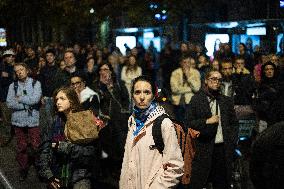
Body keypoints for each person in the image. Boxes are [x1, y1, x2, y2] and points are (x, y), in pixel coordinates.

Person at [120, 76, 184, 188]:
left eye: (147, 92)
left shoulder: (164, 123)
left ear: (154, 95)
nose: (142, 97)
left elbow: (175, 167)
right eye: (137, 92)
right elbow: (128, 163)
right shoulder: (132, 120)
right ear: (132, 96)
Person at [185, 70, 238, 189]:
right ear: (206, 81)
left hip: (223, 149)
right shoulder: (196, 100)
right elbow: (188, 123)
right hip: (204, 148)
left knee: (222, 183)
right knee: (201, 182)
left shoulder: (226, 101)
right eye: (213, 79)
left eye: (219, 79)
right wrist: (207, 121)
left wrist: (232, 141)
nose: (217, 82)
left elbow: (234, 123)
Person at [38, 87, 97, 189]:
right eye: (56, 99)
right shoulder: (53, 122)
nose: (58, 102)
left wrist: (66, 147)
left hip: (79, 176)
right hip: (57, 174)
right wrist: (48, 175)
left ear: (72, 100)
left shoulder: (83, 120)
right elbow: (44, 149)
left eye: (62, 98)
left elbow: (90, 152)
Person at [6, 63, 42, 181]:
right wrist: (26, 106)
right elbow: (9, 103)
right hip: (18, 121)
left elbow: (35, 100)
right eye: (17, 71)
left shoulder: (36, 83)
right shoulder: (13, 86)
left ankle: (40, 167)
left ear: (27, 70)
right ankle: (23, 167)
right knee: (22, 146)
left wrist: (19, 98)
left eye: (21, 69)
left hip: (33, 121)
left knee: (36, 145)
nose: (19, 72)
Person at [170, 55, 201, 123]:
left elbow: (197, 88)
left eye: (188, 62)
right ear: (181, 63)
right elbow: (174, 89)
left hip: (190, 102)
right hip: (177, 102)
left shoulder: (195, 72)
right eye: (184, 62)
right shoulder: (175, 73)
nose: (186, 64)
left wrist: (188, 77)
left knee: (190, 124)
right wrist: (190, 89)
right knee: (178, 125)